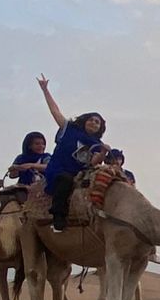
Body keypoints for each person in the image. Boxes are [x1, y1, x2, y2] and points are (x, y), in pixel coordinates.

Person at [36, 74, 108, 232]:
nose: (94, 123)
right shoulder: (69, 129)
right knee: (65, 180)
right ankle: (58, 217)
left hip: (80, 175)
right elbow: (55, 111)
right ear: (85, 120)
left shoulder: (97, 144)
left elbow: (94, 161)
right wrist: (45, 90)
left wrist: (103, 152)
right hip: (59, 172)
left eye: (98, 122)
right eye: (92, 119)